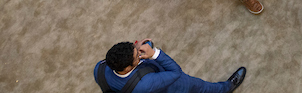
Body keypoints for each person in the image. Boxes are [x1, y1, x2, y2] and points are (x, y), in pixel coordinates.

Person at [94, 40, 246, 93]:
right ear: (127, 68)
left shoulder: (99, 69)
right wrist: (154, 53)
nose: (140, 50)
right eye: (137, 55)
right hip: (175, 88)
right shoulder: (146, 85)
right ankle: (226, 88)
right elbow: (176, 72)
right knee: (203, 88)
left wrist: (139, 46)